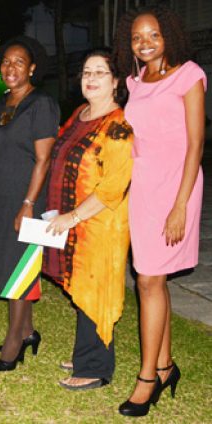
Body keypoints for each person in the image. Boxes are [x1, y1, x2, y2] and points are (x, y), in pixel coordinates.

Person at [112, 6, 205, 417]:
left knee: (148, 278)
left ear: (168, 35)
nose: (144, 42)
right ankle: (165, 366)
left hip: (175, 186)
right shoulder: (135, 82)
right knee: (152, 279)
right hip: (142, 188)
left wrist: (181, 205)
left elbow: (196, 144)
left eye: (152, 35)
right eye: (137, 37)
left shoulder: (189, 76)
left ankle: (147, 378)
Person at [42, 49, 134, 391]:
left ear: (115, 81)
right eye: (86, 73)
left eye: (99, 72)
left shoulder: (119, 126)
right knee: (82, 289)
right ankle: (86, 353)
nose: (91, 79)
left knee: (97, 290)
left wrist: (74, 216)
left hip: (100, 224)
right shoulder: (80, 114)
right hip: (74, 220)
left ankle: (95, 367)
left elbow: (114, 186)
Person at [0, 35, 59, 372]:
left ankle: (14, 344)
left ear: (32, 68)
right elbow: (5, 144)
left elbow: (43, 159)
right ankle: (27, 331)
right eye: (6, 62)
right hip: (1, 195)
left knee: (21, 268)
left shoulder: (41, 104)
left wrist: (28, 203)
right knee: (11, 263)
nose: (10, 67)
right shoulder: (4, 102)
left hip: (28, 198)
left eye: (19, 62)